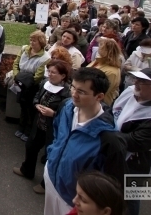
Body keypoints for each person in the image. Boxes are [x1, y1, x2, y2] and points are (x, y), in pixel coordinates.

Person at [44, 67, 126, 215]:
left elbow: (111, 186)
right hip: (51, 180)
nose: (74, 94)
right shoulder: (66, 106)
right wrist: (52, 153)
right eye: (73, 88)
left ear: (99, 96)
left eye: (81, 92)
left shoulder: (109, 139)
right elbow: (57, 132)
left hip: (73, 202)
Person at [112, 68, 151, 215]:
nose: (136, 84)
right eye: (136, 79)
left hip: (136, 165)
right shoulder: (131, 93)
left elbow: (134, 142)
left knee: (129, 197)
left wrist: (105, 135)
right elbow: (113, 111)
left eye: (142, 82)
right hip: (118, 154)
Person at [13, 60, 71, 188]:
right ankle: (27, 170)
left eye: (53, 72)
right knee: (30, 146)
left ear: (63, 76)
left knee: (50, 156)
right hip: (39, 123)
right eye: (49, 71)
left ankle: (46, 185)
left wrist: (54, 114)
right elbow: (37, 96)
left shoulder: (67, 93)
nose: (50, 74)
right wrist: (36, 104)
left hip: (53, 129)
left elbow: (69, 115)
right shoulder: (45, 83)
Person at [12, 31, 51, 141]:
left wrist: (25, 82)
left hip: (31, 86)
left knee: (30, 108)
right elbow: (16, 63)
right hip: (19, 81)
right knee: (22, 106)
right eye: (31, 40)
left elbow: (38, 76)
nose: (31, 42)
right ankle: (21, 126)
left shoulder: (45, 58)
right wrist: (16, 77)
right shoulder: (24, 49)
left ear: (41, 42)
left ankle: (29, 129)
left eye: (34, 41)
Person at [87, 38, 122, 105]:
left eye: (101, 46)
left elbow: (102, 91)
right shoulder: (97, 61)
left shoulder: (112, 72)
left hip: (98, 104)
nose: (98, 48)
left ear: (107, 51)